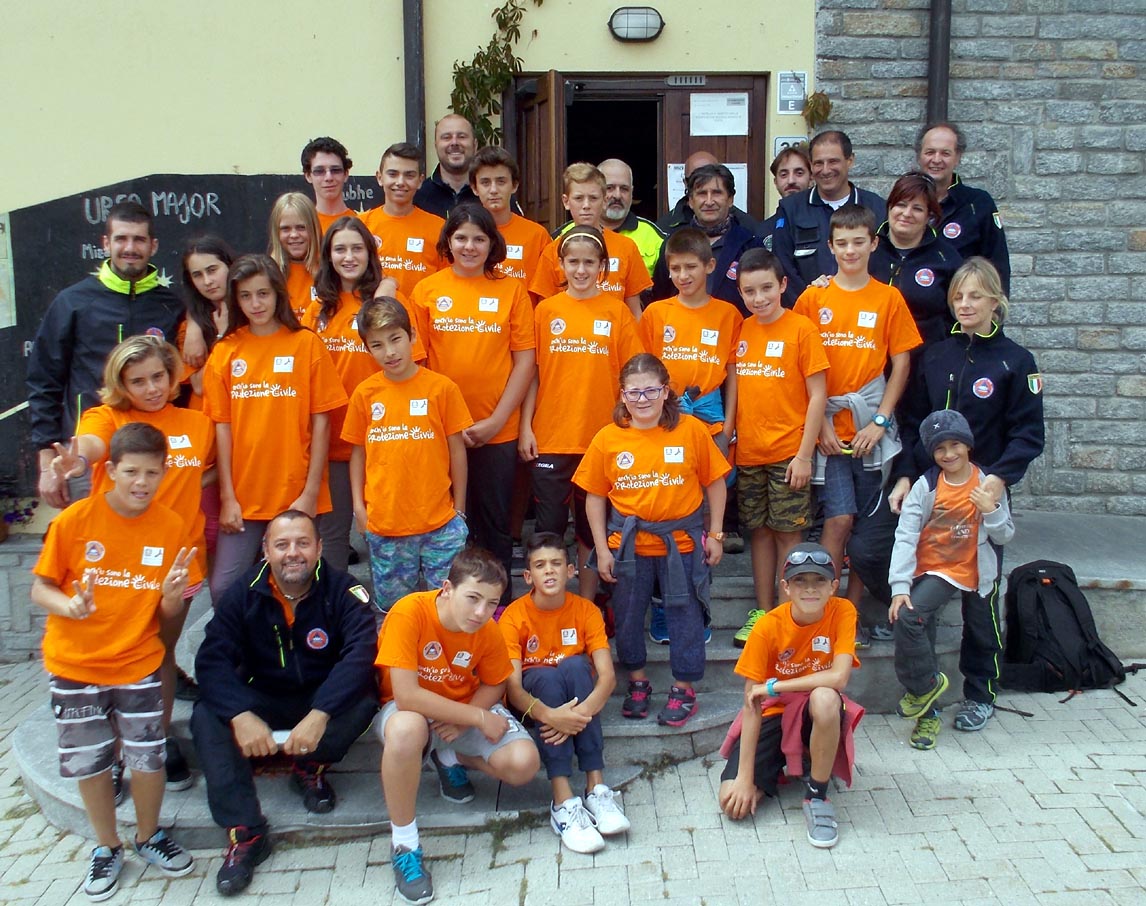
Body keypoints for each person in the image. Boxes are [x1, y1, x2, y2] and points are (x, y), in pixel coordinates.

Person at [32, 423, 197, 899]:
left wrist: (170, 599)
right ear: (109, 471)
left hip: (138, 663)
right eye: (131, 472)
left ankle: (149, 837)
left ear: (165, 474)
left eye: (151, 472)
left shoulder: (170, 527)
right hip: (75, 666)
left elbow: (168, 614)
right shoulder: (75, 521)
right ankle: (106, 847)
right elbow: (41, 586)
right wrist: (69, 606)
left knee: (147, 761)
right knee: (91, 763)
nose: (141, 482)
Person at [52, 335, 214, 791]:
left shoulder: (196, 421)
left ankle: (155, 741)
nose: (150, 388)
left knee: (157, 654)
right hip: (118, 567)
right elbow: (92, 446)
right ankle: (118, 753)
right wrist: (76, 460)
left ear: (172, 373)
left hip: (178, 566)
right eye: (137, 381)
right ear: (120, 383)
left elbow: (209, 470)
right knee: (121, 655)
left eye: (158, 377)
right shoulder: (108, 417)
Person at [890, 257, 1043, 732]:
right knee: (922, 594)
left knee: (981, 607)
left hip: (984, 496)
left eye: (975, 295)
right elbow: (914, 421)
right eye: (958, 296)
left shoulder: (1016, 361)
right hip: (932, 495)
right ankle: (925, 690)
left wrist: (998, 480)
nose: (966, 304)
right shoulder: (936, 355)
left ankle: (981, 692)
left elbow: (1028, 433)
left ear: (996, 300)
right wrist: (904, 476)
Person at [191, 510, 378, 896]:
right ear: (265, 550)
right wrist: (241, 714)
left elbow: (361, 655)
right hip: (262, 696)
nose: (293, 553)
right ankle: (246, 833)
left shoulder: (343, 592)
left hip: (318, 698)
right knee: (207, 715)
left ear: (320, 547)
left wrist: (320, 713)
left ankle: (308, 766)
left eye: (303, 543)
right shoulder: (241, 594)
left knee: (363, 698)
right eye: (282, 544)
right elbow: (211, 660)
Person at [375, 547, 540, 906]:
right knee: (407, 729)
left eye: (491, 603)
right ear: (447, 588)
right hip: (408, 713)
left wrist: (470, 711)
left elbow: (496, 681)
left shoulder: (487, 629)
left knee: (525, 763)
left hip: (462, 710)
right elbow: (406, 695)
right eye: (473, 598)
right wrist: (478, 717)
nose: (481, 612)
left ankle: (451, 757)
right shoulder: (409, 612)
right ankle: (405, 844)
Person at [574, 353, 730, 727]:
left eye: (650, 391)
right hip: (628, 547)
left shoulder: (691, 430)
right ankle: (638, 682)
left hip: (684, 544)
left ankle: (684, 687)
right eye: (633, 392)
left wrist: (718, 534)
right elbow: (594, 497)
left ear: (665, 392)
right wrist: (602, 547)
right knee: (627, 617)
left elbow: (716, 482)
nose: (642, 400)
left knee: (686, 616)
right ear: (622, 396)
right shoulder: (608, 437)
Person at [792, 205, 922, 608]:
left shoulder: (889, 298)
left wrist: (880, 421)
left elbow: (901, 363)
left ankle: (851, 609)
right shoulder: (814, 297)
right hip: (828, 430)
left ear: (873, 244)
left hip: (870, 431)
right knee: (839, 518)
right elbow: (796, 367)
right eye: (842, 243)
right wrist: (819, 428)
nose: (850, 251)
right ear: (830, 246)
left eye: (858, 242)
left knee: (865, 528)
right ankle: (825, 606)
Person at [202, 255, 347, 602]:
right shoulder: (225, 352)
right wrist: (227, 497)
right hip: (245, 496)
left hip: (297, 491)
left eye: (263, 293)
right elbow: (222, 428)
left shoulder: (306, 344)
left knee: (304, 586)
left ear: (278, 294)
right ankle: (244, 653)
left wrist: (311, 491)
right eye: (246, 295)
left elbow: (322, 421)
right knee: (225, 586)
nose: (256, 304)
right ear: (235, 300)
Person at [410, 205, 536, 607]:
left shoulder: (511, 290)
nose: (469, 246)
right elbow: (420, 363)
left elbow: (525, 362)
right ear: (447, 242)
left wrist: (497, 420)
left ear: (492, 244)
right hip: (442, 432)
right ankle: (451, 608)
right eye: (461, 237)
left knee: (496, 527)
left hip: (496, 430)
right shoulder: (427, 290)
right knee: (448, 526)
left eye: (479, 238)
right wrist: (445, 426)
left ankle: (499, 611)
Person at [28, 200, 183, 509]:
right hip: (87, 455)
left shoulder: (173, 305)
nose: (130, 248)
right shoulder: (72, 302)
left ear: (153, 246)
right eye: (121, 239)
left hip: (152, 460)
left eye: (139, 239)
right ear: (105, 243)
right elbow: (44, 382)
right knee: (91, 553)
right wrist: (48, 463)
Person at [519, 226, 644, 602]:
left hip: (603, 439)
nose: (581, 269)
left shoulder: (617, 311)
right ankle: (550, 606)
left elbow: (632, 377)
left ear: (603, 266)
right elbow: (534, 375)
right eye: (573, 261)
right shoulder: (545, 311)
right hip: (552, 437)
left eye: (590, 262)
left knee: (594, 532)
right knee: (550, 530)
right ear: (560, 265)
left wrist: (630, 431)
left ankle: (589, 605)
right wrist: (525, 427)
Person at [717, 542, 860, 851]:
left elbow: (839, 677)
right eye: (800, 581)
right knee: (732, 802)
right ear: (785, 587)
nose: (810, 589)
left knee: (825, 697)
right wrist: (744, 776)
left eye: (819, 581)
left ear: (834, 586)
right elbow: (751, 703)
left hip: (813, 708)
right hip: (773, 713)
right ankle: (789, 760)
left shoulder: (843, 611)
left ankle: (817, 795)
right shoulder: (767, 627)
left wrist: (775, 686)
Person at [888, 410, 1015, 750]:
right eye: (939, 448)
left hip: (973, 569)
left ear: (968, 444)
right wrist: (900, 587)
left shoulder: (988, 482)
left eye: (955, 444)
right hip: (933, 570)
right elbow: (905, 534)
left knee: (982, 631)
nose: (948, 454)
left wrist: (991, 508)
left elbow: (1004, 535)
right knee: (911, 618)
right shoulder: (926, 485)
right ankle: (926, 705)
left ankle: (978, 698)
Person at [500, 533, 629, 854]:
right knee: (545, 676)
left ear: (571, 570)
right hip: (533, 706)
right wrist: (552, 716)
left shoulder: (586, 610)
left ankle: (596, 788)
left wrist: (577, 715)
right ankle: (562, 801)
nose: (549, 571)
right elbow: (512, 688)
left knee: (574, 667)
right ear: (528, 576)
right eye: (540, 566)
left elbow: (608, 676)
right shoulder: (514, 616)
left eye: (556, 564)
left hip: (575, 702)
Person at [342, 297, 472, 613]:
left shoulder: (442, 389)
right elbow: (357, 453)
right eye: (377, 345)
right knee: (395, 611)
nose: (389, 352)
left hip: (440, 522)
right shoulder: (365, 394)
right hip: (386, 526)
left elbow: (457, 451)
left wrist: (460, 510)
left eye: (396, 339)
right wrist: (360, 508)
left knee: (447, 606)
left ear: (412, 335)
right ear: (367, 349)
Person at [729, 249, 829, 645]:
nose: (758, 298)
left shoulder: (801, 329)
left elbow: (818, 395)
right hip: (750, 452)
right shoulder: (743, 329)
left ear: (783, 285)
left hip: (790, 453)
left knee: (789, 534)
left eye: (766, 288)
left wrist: (805, 454)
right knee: (758, 532)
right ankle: (764, 612)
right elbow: (736, 386)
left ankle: (792, 615)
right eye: (749, 291)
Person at [641, 225, 742, 591]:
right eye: (676, 269)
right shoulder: (656, 313)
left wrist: (728, 427)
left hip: (711, 421)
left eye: (691, 267)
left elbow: (733, 374)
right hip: (665, 418)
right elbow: (646, 371)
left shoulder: (728, 315)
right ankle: (663, 596)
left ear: (710, 265)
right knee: (671, 502)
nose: (683, 276)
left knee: (706, 507)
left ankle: (698, 592)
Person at [301, 217, 384, 572]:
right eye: (340, 249)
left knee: (384, 533)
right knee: (333, 536)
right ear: (327, 256)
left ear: (369, 253)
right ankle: (332, 610)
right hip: (332, 441)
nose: (349, 257)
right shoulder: (315, 311)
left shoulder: (386, 303)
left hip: (381, 439)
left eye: (356, 248)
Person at [773, 130, 888, 306]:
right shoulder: (791, 209)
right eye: (818, 163)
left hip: (863, 313)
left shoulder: (876, 207)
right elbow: (783, 266)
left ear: (850, 160)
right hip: (809, 315)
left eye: (833, 161)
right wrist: (812, 305)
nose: (825, 170)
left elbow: (883, 263)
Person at [530, 163, 651, 318]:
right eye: (579, 198)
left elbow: (634, 313)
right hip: (568, 338)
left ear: (605, 201)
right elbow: (544, 313)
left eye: (593, 198)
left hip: (614, 337)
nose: (586, 206)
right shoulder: (553, 250)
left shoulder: (626, 247)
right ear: (566, 202)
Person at [647, 164, 763, 316]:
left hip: (735, 332)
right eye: (702, 193)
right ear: (690, 201)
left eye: (716, 193)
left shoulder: (750, 244)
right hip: (682, 333)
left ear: (730, 199)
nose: (709, 201)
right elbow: (661, 295)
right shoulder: (674, 243)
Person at [869, 171, 962, 349]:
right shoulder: (867, 248)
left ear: (929, 216)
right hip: (871, 361)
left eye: (917, 208)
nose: (907, 213)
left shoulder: (946, 258)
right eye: (901, 205)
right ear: (889, 207)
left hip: (927, 361)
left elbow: (959, 316)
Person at [916, 122, 1010, 293]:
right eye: (930, 152)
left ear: (958, 157)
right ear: (919, 156)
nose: (936, 159)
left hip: (960, 312)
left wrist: (995, 317)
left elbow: (998, 266)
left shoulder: (978, 204)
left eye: (945, 153)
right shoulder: (903, 204)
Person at [361, 142, 446, 299]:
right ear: (379, 178)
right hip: (371, 318)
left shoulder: (439, 228)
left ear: (420, 181)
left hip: (420, 320)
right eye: (392, 174)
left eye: (409, 175)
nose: (400, 182)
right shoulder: (361, 225)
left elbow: (447, 282)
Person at [470, 145, 556, 288]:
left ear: (514, 185)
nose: (493, 190)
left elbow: (546, 293)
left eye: (501, 181)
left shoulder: (537, 236)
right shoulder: (465, 237)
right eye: (485, 182)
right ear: (474, 188)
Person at [179, 235, 236, 408]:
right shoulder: (189, 329)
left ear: (230, 266)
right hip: (209, 420)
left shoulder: (254, 312)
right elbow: (199, 385)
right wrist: (222, 338)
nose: (207, 281)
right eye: (197, 275)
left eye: (212, 270)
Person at [657, 150, 759, 233]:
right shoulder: (664, 229)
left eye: (716, 192)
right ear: (685, 183)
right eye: (696, 178)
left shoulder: (748, 227)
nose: (709, 202)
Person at [597, 158, 665, 276]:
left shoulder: (655, 238)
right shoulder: (567, 234)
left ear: (632, 192)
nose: (617, 195)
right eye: (609, 188)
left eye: (624, 189)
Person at [267, 192, 323, 321]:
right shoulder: (270, 273)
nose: (294, 235)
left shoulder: (330, 268)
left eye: (301, 227)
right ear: (276, 232)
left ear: (314, 228)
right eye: (285, 229)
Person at [412, 114, 480, 219]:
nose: (454, 143)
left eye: (461, 136)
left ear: (475, 145)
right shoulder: (418, 196)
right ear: (436, 146)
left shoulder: (492, 196)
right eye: (446, 137)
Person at [757, 146, 813, 251]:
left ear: (811, 178)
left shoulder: (825, 221)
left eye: (799, 173)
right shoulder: (763, 231)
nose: (791, 180)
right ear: (776, 182)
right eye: (784, 175)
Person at [301, 136, 356, 235]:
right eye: (319, 171)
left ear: (346, 174)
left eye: (335, 170)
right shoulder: (301, 227)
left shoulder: (363, 222)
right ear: (308, 176)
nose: (328, 177)